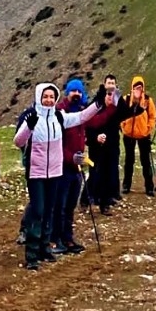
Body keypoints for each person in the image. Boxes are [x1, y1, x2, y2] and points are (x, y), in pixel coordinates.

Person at [15, 83, 105, 270]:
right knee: (38, 211)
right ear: (39, 97)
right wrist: (28, 128)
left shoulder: (59, 117)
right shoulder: (32, 117)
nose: (48, 100)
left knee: (49, 210)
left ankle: (44, 248)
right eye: (45, 96)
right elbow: (19, 141)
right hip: (36, 173)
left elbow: (81, 117)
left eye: (51, 97)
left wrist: (97, 103)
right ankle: (31, 255)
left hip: (55, 172)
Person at [85, 76, 141, 214]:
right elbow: (89, 121)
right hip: (97, 143)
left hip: (113, 141)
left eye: (113, 83)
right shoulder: (97, 100)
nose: (111, 86)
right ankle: (88, 198)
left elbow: (124, 114)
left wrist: (135, 105)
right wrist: (94, 138)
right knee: (96, 172)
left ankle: (106, 200)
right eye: (108, 83)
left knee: (109, 171)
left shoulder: (118, 99)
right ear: (104, 84)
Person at [51, 79, 89, 254]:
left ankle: (67, 238)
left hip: (77, 166)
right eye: (74, 91)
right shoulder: (61, 112)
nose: (77, 94)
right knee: (59, 204)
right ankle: (56, 239)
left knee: (71, 204)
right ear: (67, 93)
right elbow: (57, 143)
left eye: (79, 92)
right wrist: (70, 157)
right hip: (63, 167)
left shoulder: (81, 112)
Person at [121, 76, 156, 197]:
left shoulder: (147, 100)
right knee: (129, 160)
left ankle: (149, 187)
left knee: (145, 161)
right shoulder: (126, 99)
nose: (138, 89)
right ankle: (126, 186)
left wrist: (148, 128)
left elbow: (153, 116)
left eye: (140, 87)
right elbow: (120, 115)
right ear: (132, 87)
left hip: (143, 135)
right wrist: (123, 126)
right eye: (136, 87)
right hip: (129, 135)